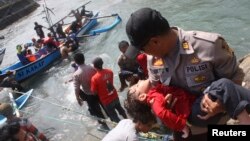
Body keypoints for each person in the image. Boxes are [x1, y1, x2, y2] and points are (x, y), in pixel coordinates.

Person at [125, 8, 245, 141]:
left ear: (155, 41)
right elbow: (155, 86)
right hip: (181, 129)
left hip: (213, 124)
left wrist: (222, 103)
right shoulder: (151, 59)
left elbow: (236, 76)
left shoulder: (208, 45)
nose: (144, 53)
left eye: (142, 49)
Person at [127, 79, 250, 138]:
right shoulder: (154, 98)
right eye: (137, 85)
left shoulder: (156, 92)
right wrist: (182, 125)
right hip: (194, 111)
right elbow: (162, 113)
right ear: (143, 96)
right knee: (223, 84)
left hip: (197, 113)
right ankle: (245, 122)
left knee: (232, 90)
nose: (138, 80)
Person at [73, 53, 109, 130]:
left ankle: (104, 126)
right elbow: (100, 75)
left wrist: (77, 98)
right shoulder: (92, 67)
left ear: (75, 62)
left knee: (97, 112)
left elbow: (77, 88)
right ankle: (113, 118)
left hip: (89, 94)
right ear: (84, 59)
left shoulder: (76, 74)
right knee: (105, 105)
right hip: (98, 91)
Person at [91, 57, 127, 123]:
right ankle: (127, 119)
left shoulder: (94, 78)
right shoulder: (109, 71)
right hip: (114, 95)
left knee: (114, 116)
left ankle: (120, 126)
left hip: (106, 101)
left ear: (94, 66)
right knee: (120, 109)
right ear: (102, 63)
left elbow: (94, 92)